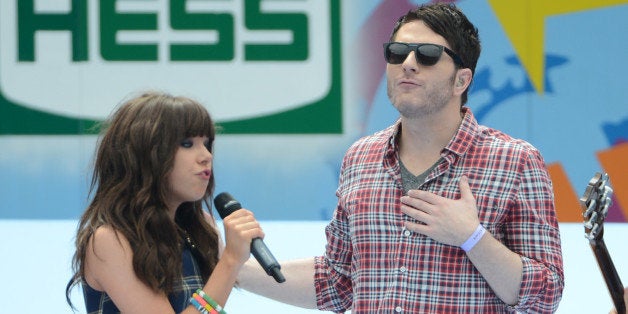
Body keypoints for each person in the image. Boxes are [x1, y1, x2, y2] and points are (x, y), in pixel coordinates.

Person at [236, 3, 564, 313]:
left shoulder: (515, 161)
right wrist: (229, 270)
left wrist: (472, 238)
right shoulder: (360, 158)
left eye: (428, 55)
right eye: (397, 53)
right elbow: (336, 282)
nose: (408, 63)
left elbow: (546, 296)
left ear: (461, 80)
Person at [65, 91, 264, 313]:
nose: (206, 155)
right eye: (187, 144)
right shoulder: (110, 241)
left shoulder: (200, 227)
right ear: (145, 154)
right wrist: (230, 261)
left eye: (207, 143)